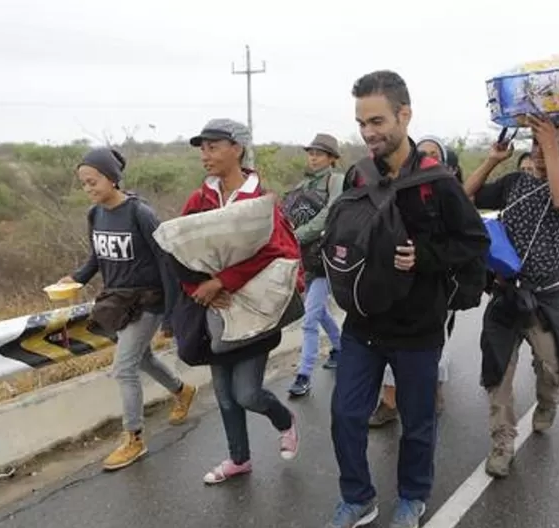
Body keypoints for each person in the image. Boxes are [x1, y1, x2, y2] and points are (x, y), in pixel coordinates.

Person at [326, 70, 489, 528]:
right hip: (362, 324)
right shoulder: (357, 175)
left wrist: (424, 257)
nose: (368, 132)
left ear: (404, 114)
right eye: (361, 123)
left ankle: (412, 497)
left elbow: (474, 243)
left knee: (417, 423)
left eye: (377, 121)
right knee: (344, 416)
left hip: (418, 328)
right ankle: (358, 498)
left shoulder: (438, 182)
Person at [174, 119, 303, 484]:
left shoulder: (259, 200)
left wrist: (222, 280)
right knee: (225, 397)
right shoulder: (199, 199)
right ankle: (239, 459)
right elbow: (179, 251)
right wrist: (197, 290)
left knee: (246, 393)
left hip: (254, 312)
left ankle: (285, 420)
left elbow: (277, 251)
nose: (205, 154)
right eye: (202, 148)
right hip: (216, 311)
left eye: (213, 146)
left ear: (237, 149)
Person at [464, 117, 559, 479]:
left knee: (553, 367)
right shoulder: (514, 182)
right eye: (534, 140)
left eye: (548, 140)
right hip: (506, 294)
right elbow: (466, 196)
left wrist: (551, 145)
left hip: (546, 298)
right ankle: (502, 441)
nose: (538, 146)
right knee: (498, 372)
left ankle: (549, 402)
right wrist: (492, 160)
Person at [60, 147, 197, 471]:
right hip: (118, 302)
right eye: (84, 184)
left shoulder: (140, 213)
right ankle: (182, 390)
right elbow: (97, 257)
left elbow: (166, 263)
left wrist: (171, 313)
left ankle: (133, 437)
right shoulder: (96, 215)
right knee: (142, 358)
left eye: (93, 181)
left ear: (112, 178)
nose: (89, 189)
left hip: (148, 301)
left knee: (123, 367)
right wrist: (77, 278)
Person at [368, 136, 458, 427]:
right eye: (422, 153)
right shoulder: (397, 188)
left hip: (437, 290)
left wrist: (425, 257)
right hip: (395, 289)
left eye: (434, 154)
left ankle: (433, 390)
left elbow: (468, 243)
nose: (426, 159)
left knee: (434, 348)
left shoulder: (446, 190)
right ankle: (390, 401)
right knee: (391, 345)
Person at [285, 133, 345, 397]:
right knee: (317, 311)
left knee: (309, 319)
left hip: (328, 257)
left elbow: (329, 215)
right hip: (308, 259)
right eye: (311, 152)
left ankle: (304, 373)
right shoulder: (302, 185)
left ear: (332, 158)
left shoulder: (337, 181)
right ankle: (340, 347)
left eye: (319, 153)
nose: (313, 157)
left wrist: (295, 237)